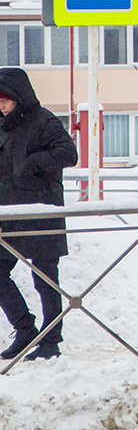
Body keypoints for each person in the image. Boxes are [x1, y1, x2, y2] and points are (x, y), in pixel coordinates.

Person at [0, 67, 77, 361]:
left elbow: (69, 154)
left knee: (45, 278)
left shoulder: (44, 121)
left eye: (5, 100)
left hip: (42, 212)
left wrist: (33, 163)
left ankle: (50, 341)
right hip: (11, 214)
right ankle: (25, 330)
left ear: (19, 97)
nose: (1, 106)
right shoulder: (4, 124)